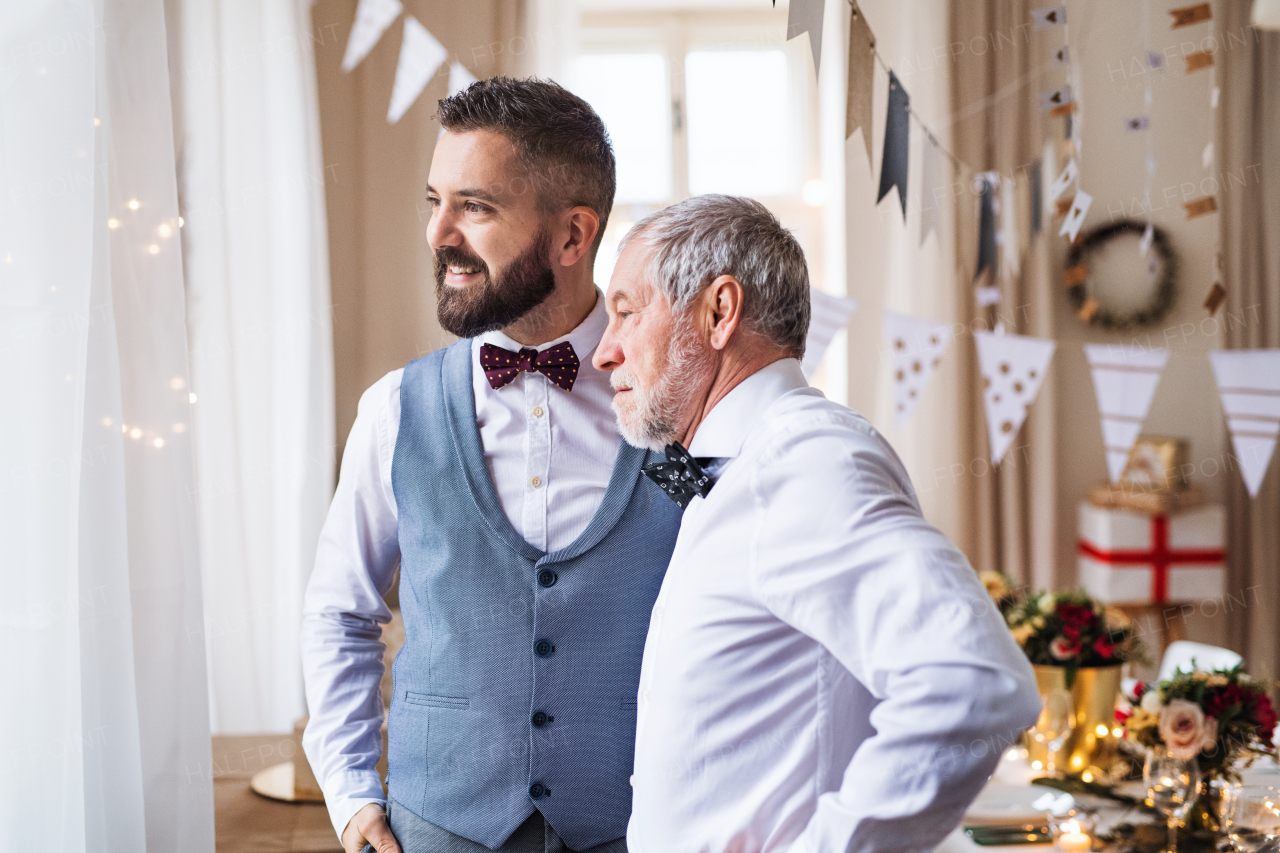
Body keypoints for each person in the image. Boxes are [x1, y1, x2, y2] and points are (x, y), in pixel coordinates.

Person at [301, 77, 684, 853]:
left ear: (573, 237)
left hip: (641, 831)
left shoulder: (681, 405)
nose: (439, 232)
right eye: (434, 200)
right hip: (431, 830)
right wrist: (349, 794)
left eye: (475, 207)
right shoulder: (393, 410)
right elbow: (342, 613)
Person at [592, 194, 1042, 853]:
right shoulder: (734, 469)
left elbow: (973, 683)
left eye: (627, 312)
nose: (605, 351)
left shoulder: (804, 461)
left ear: (719, 312)